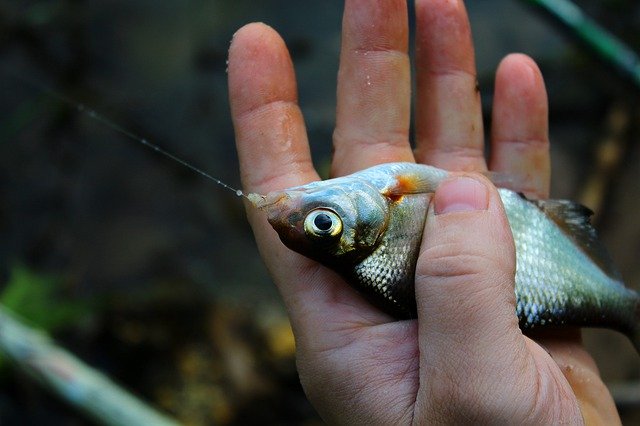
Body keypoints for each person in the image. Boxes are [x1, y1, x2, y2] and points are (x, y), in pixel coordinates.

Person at [227, 0, 620, 423]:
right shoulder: (392, 202)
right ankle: (623, 307)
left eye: (323, 220)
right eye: (324, 222)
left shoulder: (385, 208)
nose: (294, 205)